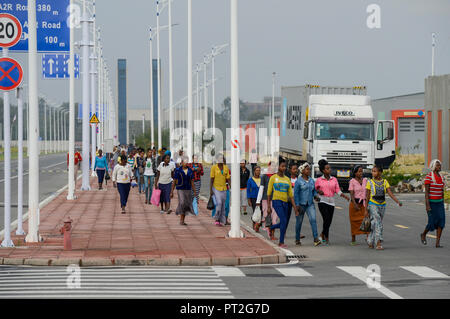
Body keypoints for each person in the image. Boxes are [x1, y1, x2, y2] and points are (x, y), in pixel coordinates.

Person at [364, 165, 402, 250]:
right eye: (372, 171)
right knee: (378, 223)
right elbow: (367, 196)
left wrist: (397, 201)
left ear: (380, 172)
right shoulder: (370, 182)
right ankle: (378, 243)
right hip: (373, 204)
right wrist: (366, 209)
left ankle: (370, 240)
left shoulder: (385, 182)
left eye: (375, 171)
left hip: (382, 205)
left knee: (374, 223)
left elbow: (390, 193)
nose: (373, 173)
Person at [315, 159, 350, 244]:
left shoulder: (334, 179)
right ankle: (326, 238)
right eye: (327, 168)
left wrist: (345, 196)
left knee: (329, 221)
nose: (329, 170)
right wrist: (318, 192)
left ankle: (322, 235)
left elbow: (337, 190)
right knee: (326, 219)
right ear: (323, 170)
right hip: (322, 201)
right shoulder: (319, 180)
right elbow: (315, 189)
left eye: (329, 168)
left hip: (331, 202)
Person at [267, 160, 299, 248]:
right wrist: (269, 206)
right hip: (276, 201)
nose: (284, 168)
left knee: (284, 222)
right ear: (278, 167)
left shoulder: (287, 179)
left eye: (285, 166)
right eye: (282, 166)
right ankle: (281, 242)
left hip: (285, 202)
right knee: (284, 221)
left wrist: (295, 208)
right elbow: (269, 193)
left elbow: (291, 196)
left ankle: (272, 227)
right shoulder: (273, 178)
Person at [294, 163, 321, 246]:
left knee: (313, 220)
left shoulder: (312, 180)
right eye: (307, 169)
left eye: (309, 169)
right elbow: (296, 194)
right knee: (299, 222)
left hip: (310, 204)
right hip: (301, 205)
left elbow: (314, 191)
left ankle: (316, 239)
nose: (309, 171)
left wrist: (316, 196)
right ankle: (297, 239)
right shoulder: (298, 181)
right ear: (302, 171)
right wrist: (297, 205)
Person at [421, 159, 446, 248]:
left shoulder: (442, 177)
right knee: (432, 222)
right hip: (431, 203)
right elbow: (426, 193)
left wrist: (444, 202)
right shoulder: (429, 177)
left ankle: (437, 243)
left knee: (441, 222)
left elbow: (442, 191)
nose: (439, 167)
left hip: (440, 203)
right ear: (433, 166)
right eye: (437, 165)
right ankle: (423, 234)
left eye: (440, 165)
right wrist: (427, 205)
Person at [171, 156, 196, 225]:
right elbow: (174, 181)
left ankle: (182, 219)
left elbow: (192, 181)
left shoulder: (190, 170)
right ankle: (180, 215)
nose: (185, 163)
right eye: (184, 161)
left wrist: (194, 191)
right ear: (181, 162)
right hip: (180, 188)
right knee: (182, 202)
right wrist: (172, 191)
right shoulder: (178, 170)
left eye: (186, 161)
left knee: (186, 204)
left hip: (188, 189)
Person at [348, 165, 369, 245]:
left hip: (363, 204)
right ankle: (353, 239)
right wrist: (355, 204)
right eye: (359, 171)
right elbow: (352, 194)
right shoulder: (352, 181)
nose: (361, 173)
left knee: (366, 221)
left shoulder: (365, 180)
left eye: (362, 171)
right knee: (354, 222)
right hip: (354, 204)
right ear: (355, 173)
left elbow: (367, 192)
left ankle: (368, 238)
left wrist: (367, 202)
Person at [210, 154, 231, 226]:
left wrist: (231, 187)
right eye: (219, 159)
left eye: (222, 159)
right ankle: (217, 218)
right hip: (216, 188)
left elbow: (228, 178)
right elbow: (212, 179)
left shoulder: (226, 168)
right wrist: (211, 190)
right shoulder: (214, 167)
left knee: (223, 206)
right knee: (219, 203)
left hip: (224, 188)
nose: (220, 160)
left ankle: (221, 220)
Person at [247, 166, 261, 231]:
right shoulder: (250, 180)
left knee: (261, 212)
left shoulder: (261, 179)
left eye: (259, 170)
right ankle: (255, 225)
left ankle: (257, 224)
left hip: (260, 198)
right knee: (255, 212)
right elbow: (248, 190)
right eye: (257, 170)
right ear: (254, 171)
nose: (258, 172)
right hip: (253, 198)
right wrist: (249, 199)